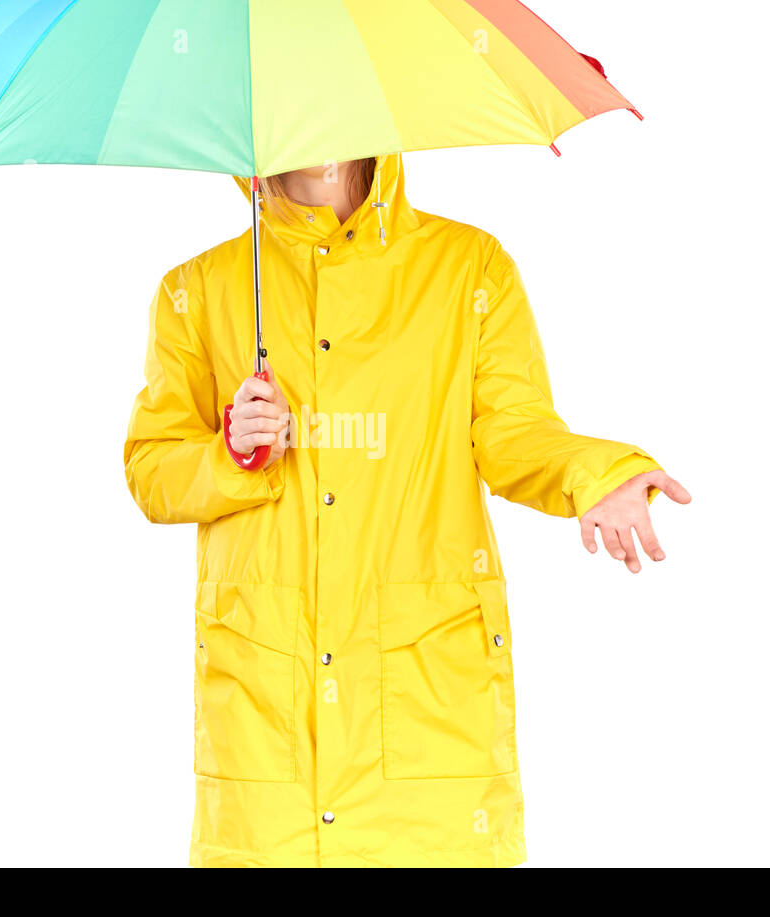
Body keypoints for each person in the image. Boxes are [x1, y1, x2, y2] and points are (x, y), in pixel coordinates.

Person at [124, 154, 691, 868]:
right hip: (265, 730)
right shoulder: (197, 291)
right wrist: (232, 451)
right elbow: (152, 469)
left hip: (426, 718)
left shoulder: (467, 270)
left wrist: (596, 473)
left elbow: (514, 432)